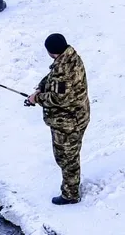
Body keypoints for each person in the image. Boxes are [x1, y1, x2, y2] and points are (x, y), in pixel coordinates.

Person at [26, 33, 90, 205]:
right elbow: (54, 79)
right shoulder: (71, 56)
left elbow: (58, 98)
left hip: (68, 123)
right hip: (79, 114)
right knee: (71, 154)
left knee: (66, 158)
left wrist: (36, 99)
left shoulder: (62, 71)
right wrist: (42, 86)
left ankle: (70, 195)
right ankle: (73, 184)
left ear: (51, 52)